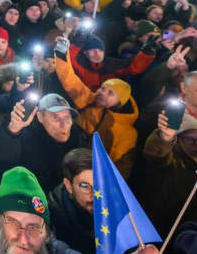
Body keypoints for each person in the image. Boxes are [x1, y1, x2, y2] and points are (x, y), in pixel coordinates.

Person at [54, 44, 139, 176]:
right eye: (103, 88)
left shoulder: (128, 133)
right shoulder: (92, 100)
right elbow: (70, 81)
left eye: (110, 93)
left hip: (89, 170)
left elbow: (121, 168)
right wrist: (60, 55)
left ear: (120, 102)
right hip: (68, 148)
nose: (102, 93)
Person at [0, 93, 87, 193]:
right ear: (40, 117)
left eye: (67, 118)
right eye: (55, 118)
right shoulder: (27, 139)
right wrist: (13, 128)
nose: (63, 124)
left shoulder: (78, 140)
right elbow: (1, 154)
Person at [141, 112, 197, 234]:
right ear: (178, 140)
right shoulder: (170, 161)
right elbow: (157, 154)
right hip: (163, 229)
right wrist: (165, 137)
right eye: (189, 139)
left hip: (195, 231)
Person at [48, 149, 95, 254]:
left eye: (98, 184)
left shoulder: (112, 199)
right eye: (84, 186)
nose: (94, 194)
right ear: (68, 185)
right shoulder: (52, 213)